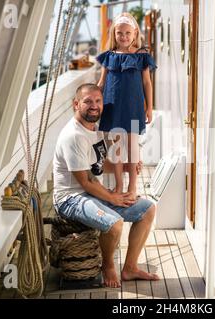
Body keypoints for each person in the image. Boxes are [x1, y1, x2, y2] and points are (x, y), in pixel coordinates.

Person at [53, 83, 159, 288]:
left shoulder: (95, 130)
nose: (94, 106)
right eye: (88, 102)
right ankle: (108, 265)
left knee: (147, 210)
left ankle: (129, 268)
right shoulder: (74, 136)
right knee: (114, 223)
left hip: (92, 193)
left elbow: (99, 167)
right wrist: (113, 197)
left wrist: (129, 166)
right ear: (76, 104)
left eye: (98, 101)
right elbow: (85, 181)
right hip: (71, 198)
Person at [96, 12, 156, 200]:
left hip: (133, 107)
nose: (123, 37)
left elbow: (147, 83)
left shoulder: (142, 56)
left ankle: (132, 187)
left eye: (127, 33)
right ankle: (119, 185)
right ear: (114, 33)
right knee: (117, 149)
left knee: (132, 148)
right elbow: (101, 82)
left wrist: (149, 107)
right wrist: (94, 104)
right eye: (119, 33)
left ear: (135, 32)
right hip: (112, 106)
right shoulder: (109, 56)